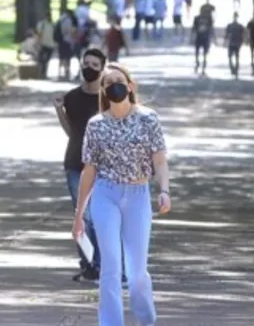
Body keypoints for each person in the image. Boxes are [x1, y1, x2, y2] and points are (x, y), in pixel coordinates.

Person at [73, 63, 171, 326]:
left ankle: (145, 319)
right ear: (103, 91)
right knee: (111, 267)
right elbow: (89, 171)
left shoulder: (148, 118)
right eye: (108, 83)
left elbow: (160, 161)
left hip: (138, 194)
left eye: (119, 80)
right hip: (106, 195)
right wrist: (79, 215)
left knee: (136, 270)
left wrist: (164, 191)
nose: (114, 86)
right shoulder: (96, 125)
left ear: (129, 85)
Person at [53, 49, 106, 282]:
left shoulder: (107, 98)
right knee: (82, 214)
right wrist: (59, 110)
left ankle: (101, 263)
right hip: (76, 162)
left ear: (102, 68)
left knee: (100, 215)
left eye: (94, 65)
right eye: (86, 63)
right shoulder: (72, 97)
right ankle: (88, 264)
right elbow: (71, 131)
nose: (89, 68)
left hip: (103, 166)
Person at [192, 10, 214, 75]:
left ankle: (199, 63)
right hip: (203, 37)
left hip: (201, 37)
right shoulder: (207, 18)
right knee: (202, 52)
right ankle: (201, 63)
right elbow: (211, 28)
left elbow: (194, 28)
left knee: (199, 52)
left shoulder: (198, 18)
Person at [224, 12, 245, 79]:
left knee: (232, 57)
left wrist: (225, 41)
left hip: (233, 43)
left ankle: (233, 69)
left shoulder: (231, 25)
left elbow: (226, 35)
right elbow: (243, 35)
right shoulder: (239, 26)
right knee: (235, 57)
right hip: (236, 43)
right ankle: (235, 69)